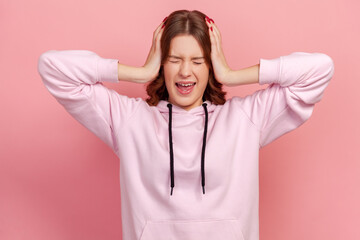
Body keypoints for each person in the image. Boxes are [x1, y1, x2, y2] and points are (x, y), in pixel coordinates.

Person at [37, 9, 334, 240]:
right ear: (161, 63)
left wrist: (231, 75)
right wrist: (139, 73)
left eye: (198, 60)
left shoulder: (246, 118)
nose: (185, 71)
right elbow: (51, 67)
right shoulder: (129, 119)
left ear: (211, 64)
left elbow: (320, 69)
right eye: (174, 59)